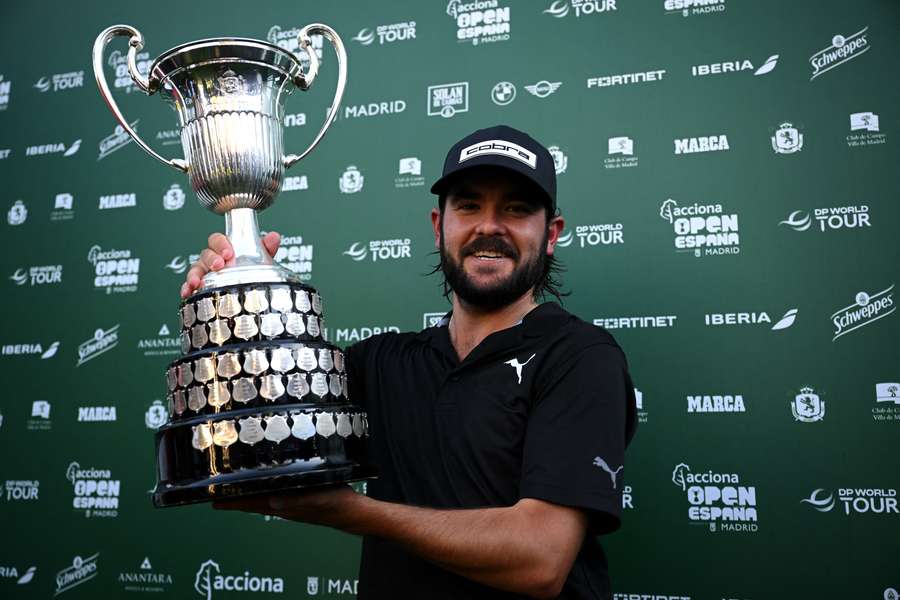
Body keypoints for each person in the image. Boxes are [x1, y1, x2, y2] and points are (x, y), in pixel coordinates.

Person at [181, 125, 638, 599]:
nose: (489, 226)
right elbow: (248, 423)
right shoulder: (381, 363)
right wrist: (234, 295)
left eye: (517, 209)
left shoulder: (581, 359)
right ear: (440, 226)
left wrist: (352, 512)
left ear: (550, 235)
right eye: (469, 205)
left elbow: (540, 558)